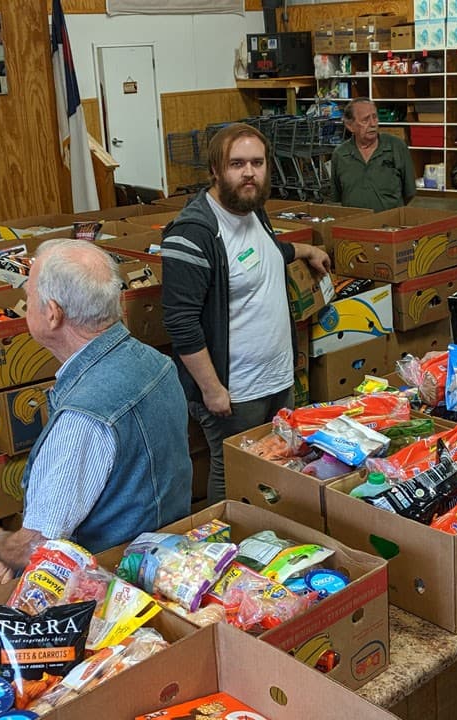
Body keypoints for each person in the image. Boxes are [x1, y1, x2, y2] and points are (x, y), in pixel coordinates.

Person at [0, 239, 192, 586]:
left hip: (113, 591)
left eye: (28, 295)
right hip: (170, 563)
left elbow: (38, 548)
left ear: (52, 313)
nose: (24, 304)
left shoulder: (84, 418)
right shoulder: (158, 365)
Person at [162, 123, 332, 503]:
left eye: (257, 162)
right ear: (215, 171)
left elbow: (263, 257)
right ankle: (227, 543)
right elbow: (179, 321)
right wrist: (212, 389)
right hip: (233, 392)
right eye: (237, 164)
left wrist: (304, 250)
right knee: (234, 474)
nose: (249, 172)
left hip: (276, 379)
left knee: (278, 463)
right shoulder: (193, 232)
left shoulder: (253, 209)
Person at [329, 98, 416, 212]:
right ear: (350, 126)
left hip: (390, 224)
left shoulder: (397, 146)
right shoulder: (340, 154)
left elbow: (409, 193)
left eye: (375, 117)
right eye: (365, 120)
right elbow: (338, 196)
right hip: (354, 224)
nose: (373, 124)